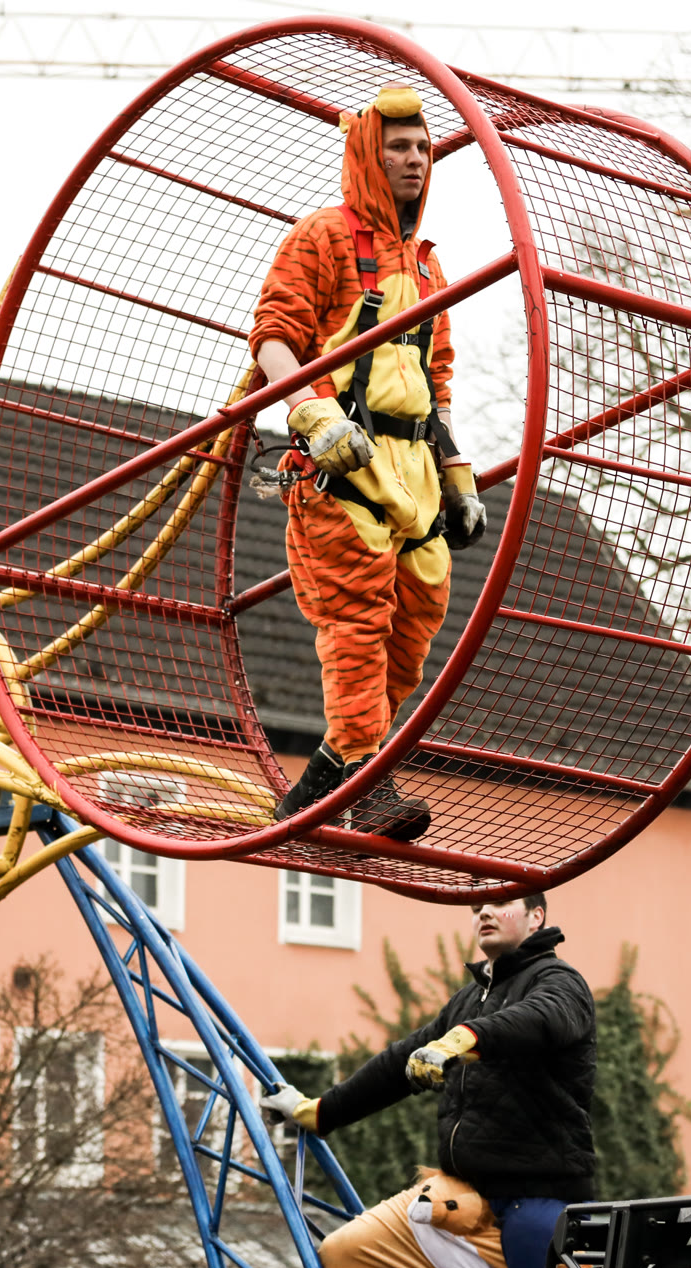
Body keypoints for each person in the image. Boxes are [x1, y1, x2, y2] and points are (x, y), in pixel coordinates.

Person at [252, 84, 488, 841]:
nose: (415, 159)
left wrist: (455, 474)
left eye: (423, 148)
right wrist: (314, 416)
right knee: (355, 630)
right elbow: (274, 340)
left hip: (413, 472)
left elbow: (435, 378)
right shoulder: (324, 237)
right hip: (344, 466)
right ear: (368, 154)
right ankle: (370, 782)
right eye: (398, 148)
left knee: (411, 635)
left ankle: (320, 785)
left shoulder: (426, 266)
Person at [261, 892, 595, 1268]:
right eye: (477, 905)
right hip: (457, 1201)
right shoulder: (468, 1000)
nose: (484, 911)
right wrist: (318, 1111)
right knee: (348, 1258)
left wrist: (465, 1038)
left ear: (536, 916)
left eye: (501, 901)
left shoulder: (561, 983)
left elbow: (538, 1020)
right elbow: (398, 1064)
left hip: (536, 1199)